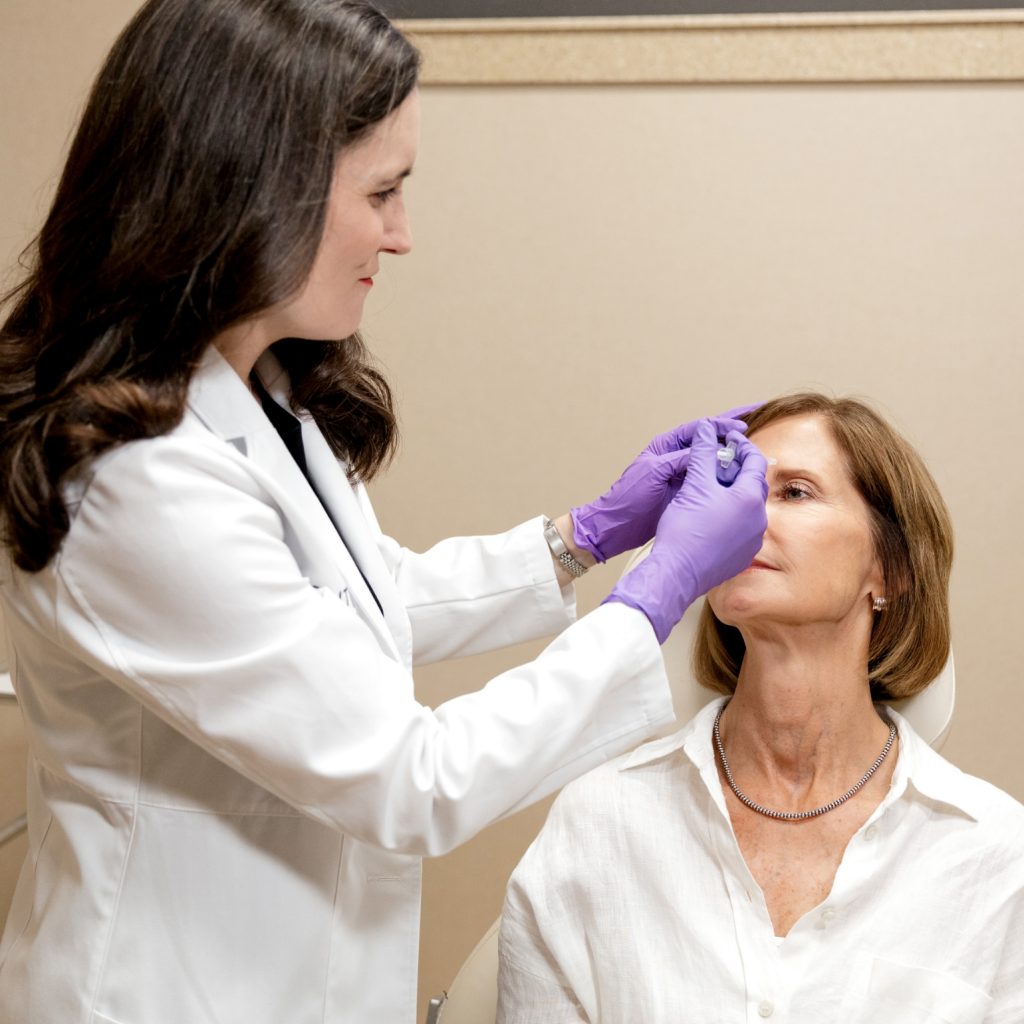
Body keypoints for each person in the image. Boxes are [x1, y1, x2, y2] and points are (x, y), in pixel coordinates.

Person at [0, 2, 770, 1022]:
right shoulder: (132, 480)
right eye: (382, 191)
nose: (402, 236)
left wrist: (579, 538)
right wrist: (658, 592)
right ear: (247, 185)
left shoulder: (255, 391)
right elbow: (415, 780)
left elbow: (352, 604)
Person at [498, 393, 1024, 1024]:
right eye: (735, 487)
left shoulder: (995, 856)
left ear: (891, 569)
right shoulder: (598, 824)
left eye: (795, 491)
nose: (744, 514)